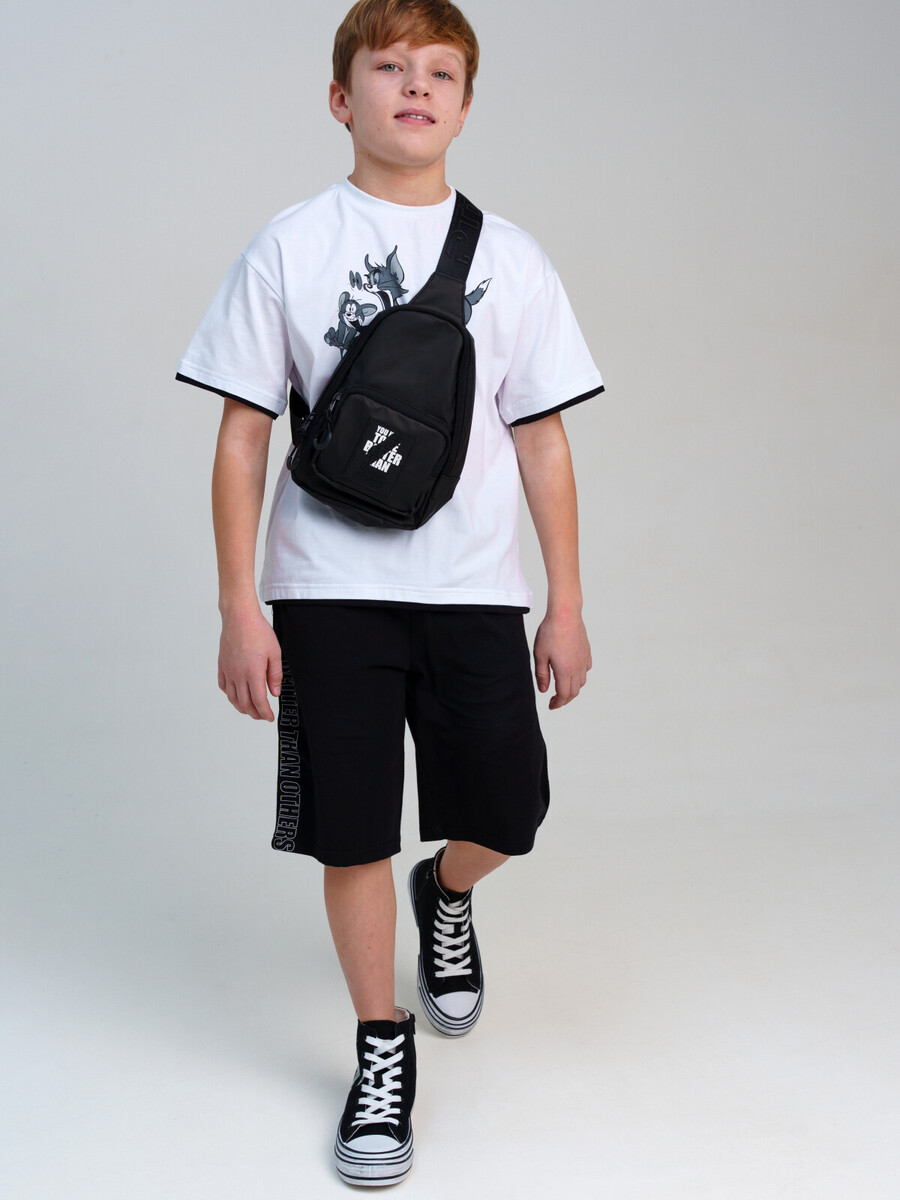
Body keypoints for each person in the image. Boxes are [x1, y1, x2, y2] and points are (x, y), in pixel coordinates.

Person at [176, 0, 603, 1186]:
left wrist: (565, 602)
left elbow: (544, 441)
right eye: (389, 66)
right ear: (340, 97)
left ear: (464, 106)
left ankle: (446, 892)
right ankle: (381, 1042)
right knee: (351, 825)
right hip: (326, 590)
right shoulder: (288, 246)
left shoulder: (513, 258)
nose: (415, 87)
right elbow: (241, 438)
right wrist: (240, 606)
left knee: (509, 806)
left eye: (440, 73)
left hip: (476, 590)